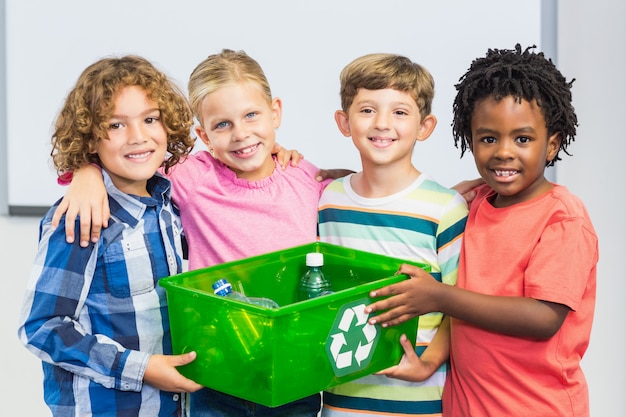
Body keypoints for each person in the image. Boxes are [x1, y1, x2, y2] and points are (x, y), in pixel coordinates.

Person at [51, 49, 340, 417]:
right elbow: (130, 163)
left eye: (252, 116)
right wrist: (85, 172)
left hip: (291, 372)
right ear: (203, 134)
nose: (241, 134)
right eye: (222, 125)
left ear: (275, 112)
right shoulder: (191, 176)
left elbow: (354, 188)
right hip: (214, 376)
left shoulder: (304, 177)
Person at [366, 45, 598, 417]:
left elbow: (543, 318)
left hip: (537, 409)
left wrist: (440, 297)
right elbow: (409, 197)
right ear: (468, 139)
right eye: (489, 138)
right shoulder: (473, 202)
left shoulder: (562, 218)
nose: (504, 152)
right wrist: (345, 179)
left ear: (551, 145)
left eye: (522, 139)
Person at [17, 55, 204, 417]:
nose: (138, 137)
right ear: (90, 137)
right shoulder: (81, 217)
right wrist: (142, 368)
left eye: (150, 119)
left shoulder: (171, 206)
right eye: (116, 125)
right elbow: (42, 326)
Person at [317, 53, 469, 417]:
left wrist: (428, 362)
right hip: (341, 402)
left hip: (418, 402)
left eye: (399, 112)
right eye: (367, 109)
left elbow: (460, 302)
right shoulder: (328, 199)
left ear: (425, 126)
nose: (382, 123)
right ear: (344, 121)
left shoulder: (445, 208)